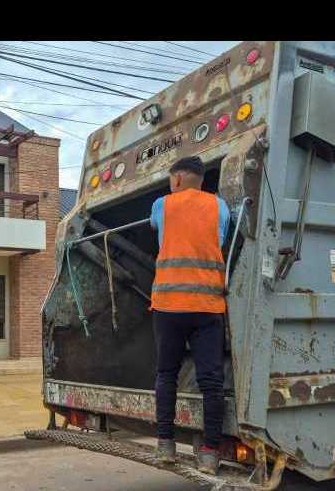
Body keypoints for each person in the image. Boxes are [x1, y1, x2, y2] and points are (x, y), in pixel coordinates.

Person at [150, 156, 230, 476]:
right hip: (207, 307)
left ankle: (166, 444)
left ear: (179, 179)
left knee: (166, 373)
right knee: (211, 381)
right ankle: (210, 453)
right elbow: (222, 237)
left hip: (168, 305)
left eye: (171, 179)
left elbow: (155, 228)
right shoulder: (220, 207)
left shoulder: (162, 205)